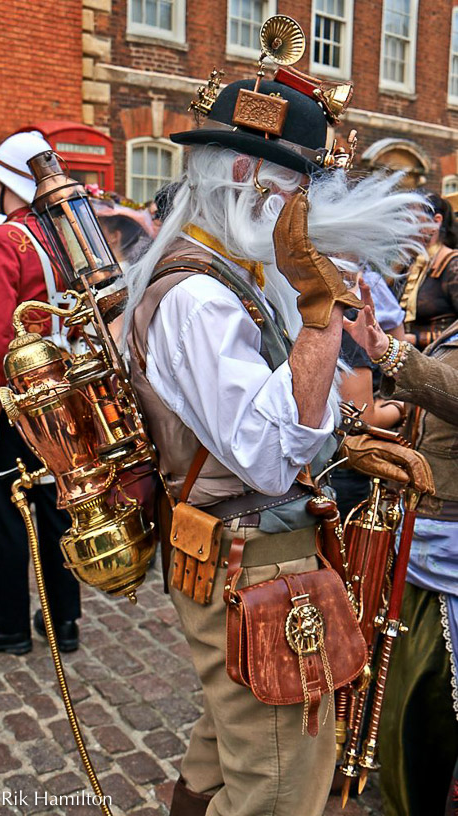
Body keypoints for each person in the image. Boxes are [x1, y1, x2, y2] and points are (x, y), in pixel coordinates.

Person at [122, 43, 433, 815]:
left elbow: (294, 415)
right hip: (249, 555)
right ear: (241, 175)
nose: (305, 200)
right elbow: (264, 458)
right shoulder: (200, 295)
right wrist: (321, 318)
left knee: (234, 735)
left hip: (250, 550)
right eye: (297, 180)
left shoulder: (237, 270)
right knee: (283, 775)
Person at [345, 280, 458, 816]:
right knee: (407, 708)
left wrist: (390, 351)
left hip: (447, 553)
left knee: (421, 706)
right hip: (430, 540)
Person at [0, 131, 81, 654]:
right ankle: (63, 620)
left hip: (15, 403)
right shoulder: (57, 236)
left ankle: (7, 625)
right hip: (61, 397)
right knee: (55, 507)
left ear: (4, 186)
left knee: (2, 513)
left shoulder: (1, 241)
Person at [399, 191, 458, 349]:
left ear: (436, 222)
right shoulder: (410, 265)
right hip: (412, 364)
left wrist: (415, 339)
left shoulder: (453, 265)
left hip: (444, 365)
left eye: (413, 220)